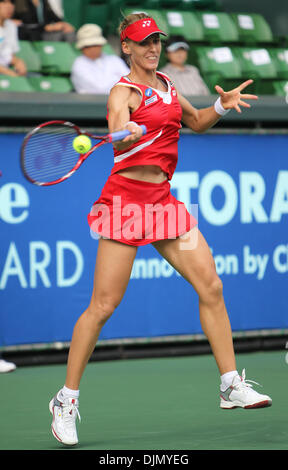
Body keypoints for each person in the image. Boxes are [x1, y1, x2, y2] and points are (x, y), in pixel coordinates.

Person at [49, 13, 272, 446]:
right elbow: (117, 130)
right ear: (125, 47)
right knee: (103, 306)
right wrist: (126, 132)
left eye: (156, 41)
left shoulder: (169, 85)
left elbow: (197, 121)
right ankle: (66, 400)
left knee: (211, 285)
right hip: (125, 203)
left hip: (163, 203)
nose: (153, 48)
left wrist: (222, 105)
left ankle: (229, 384)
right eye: (142, 42)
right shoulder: (122, 92)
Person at [71, 23, 130, 95]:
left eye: (95, 45)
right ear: (82, 48)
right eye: (88, 46)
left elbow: (131, 82)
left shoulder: (114, 60)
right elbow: (100, 89)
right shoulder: (79, 64)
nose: (92, 49)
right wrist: (118, 80)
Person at [0, 0, 27, 77]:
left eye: (11, 3)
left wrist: (17, 62)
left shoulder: (11, 25)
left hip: (6, 71)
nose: (9, 6)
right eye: (4, 2)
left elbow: (9, 54)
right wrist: (8, 72)